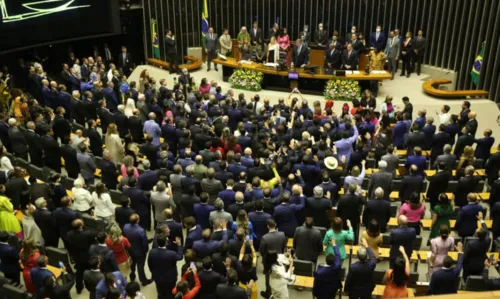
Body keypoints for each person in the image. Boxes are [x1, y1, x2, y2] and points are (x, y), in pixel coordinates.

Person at [148, 233, 183, 299]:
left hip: (157, 277)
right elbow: (180, 257)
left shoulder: (151, 252)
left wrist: (153, 272)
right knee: (170, 293)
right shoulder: (171, 254)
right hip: (170, 278)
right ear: (166, 242)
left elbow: (150, 265)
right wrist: (179, 245)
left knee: (160, 292)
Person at [259, 219, 287, 299]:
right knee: (280, 273)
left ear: (267, 226)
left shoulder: (264, 237)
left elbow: (261, 251)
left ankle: (268, 292)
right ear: (275, 224)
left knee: (268, 276)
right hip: (279, 258)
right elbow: (283, 247)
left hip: (268, 261)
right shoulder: (282, 234)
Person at [123, 214, 153, 286]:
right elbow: (144, 244)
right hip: (139, 252)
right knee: (140, 266)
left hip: (129, 250)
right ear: (138, 220)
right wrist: (145, 251)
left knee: (132, 264)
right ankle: (143, 281)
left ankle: (132, 277)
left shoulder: (125, 227)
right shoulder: (141, 231)